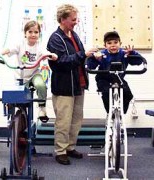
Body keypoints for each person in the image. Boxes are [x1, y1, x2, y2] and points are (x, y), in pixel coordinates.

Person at [46, 4, 98, 165]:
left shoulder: (73, 35)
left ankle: (70, 147)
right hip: (64, 87)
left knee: (76, 119)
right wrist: (84, 54)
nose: (76, 22)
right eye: (73, 19)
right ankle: (60, 151)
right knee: (63, 121)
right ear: (63, 19)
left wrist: (93, 57)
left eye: (76, 19)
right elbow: (61, 62)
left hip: (78, 85)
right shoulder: (55, 39)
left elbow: (79, 59)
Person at [1, 20, 58, 123]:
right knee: (12, 97)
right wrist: (3, 52)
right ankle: (11, 116)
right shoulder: (20, 44)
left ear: (39, 34)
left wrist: (51, 55)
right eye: (30, 32)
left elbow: (46, 53)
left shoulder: (39, 46)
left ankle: (42, 108)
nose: (33, 34)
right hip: (20, 77)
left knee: (41, 85)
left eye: (36, 32)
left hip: (34, 75)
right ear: (25, 33)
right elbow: (11, 49)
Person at [87, 31, 144, 115]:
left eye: (115, 42)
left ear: (120, 43)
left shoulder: (124, 53)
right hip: (104, 79)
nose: (113, 45)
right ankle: (110, 113)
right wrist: (96, 59)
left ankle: (121, 115)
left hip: (118, 78)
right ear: (105, 45)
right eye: (109, 43)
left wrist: (132, 53)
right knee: (106, 92)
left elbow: (139, 61)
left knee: (128, 95)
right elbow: (90, 66)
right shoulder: (102, 54)